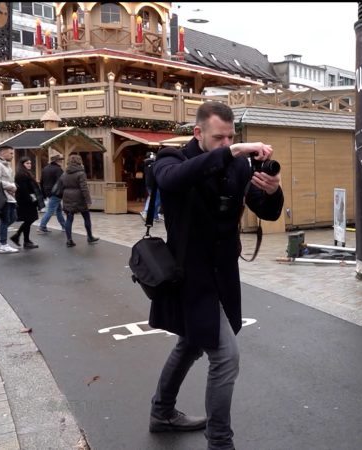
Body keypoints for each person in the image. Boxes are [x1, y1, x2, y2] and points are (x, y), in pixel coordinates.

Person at [148, 101, 283, 450]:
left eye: (230, 138)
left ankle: (162, 412)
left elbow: (265, 210)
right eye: (219, 138)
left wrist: (272, 190)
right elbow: (173, 180)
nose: (226, 144)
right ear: (198, 133)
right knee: (225, 356)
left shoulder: (236, 165)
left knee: (191, 344)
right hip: (188, 275)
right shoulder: (170, 158)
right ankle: (220, 442)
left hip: (223, 274)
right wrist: (232, 152)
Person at [60, 154, 99, 247]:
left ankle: (69, 240)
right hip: (79, 198)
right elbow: (84, 188)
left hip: (67, 197)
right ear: (79, 161)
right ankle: (89, 236)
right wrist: (88, 200)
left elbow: (62, 186)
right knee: (86, 217)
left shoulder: (64, 173)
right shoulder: (81, 173)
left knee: (69, 219)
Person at [11, 157, 42, 249]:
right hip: (25, 201)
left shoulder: (25, 173)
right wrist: (31, 200)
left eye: (30, 163)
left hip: (27, 200)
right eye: (27, 163)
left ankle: (22, 239)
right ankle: (22, 239)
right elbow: (23, 190)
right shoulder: (21, 174)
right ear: (22, 164)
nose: (29, 165)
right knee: (30, 219)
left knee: (29, 220)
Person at [37, 154, 67, 233]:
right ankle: (42, 226)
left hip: (48, 192)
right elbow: (61, 182)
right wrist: (62, 192)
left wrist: (43, 193)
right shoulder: (58, 170)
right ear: (57, 161)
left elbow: (41, 182)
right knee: (50, 210)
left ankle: (64, 226)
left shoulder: (45, 168)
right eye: (60, 160)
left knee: (58, 210)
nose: (61, 162)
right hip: (56, 193)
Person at [140, 151, 161, 221]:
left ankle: (154, 216)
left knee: (152, 199)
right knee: (156, 201)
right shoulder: (154, 164)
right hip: (154, 185)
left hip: (148, 184)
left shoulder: (146, 164)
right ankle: (149, 214)